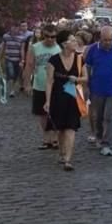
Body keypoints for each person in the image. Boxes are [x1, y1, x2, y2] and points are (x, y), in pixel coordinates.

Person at [43, 30, 87, 171]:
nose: (76, 42)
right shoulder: (53, 60)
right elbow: (49, 82)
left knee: (71, 128)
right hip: (57, 98)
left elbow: (87, 78)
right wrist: (47, 101)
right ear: (64, 44)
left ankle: (68, 159)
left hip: (74, 98)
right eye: (72, 40)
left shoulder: (80, 59)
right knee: (61, 129)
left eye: (75, 40)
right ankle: (62, 153)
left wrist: (78, 79)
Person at [85, 26, 112, 156]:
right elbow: (87, 68)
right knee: (97, 117)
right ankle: (99, 136)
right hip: (97, 90)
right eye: (105, 40)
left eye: (110, 40)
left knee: (109, 117)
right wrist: (86, 86)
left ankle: (106, 142)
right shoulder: (93, 49)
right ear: (100, 38)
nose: (108, 42)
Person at [24, 24, 60, 149]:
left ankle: (55, 138)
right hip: (39, 84)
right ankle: (46, 139)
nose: (50, 39)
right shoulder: (34, 47)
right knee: (42, 113)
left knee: (55, 113)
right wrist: (27, 83)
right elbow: (29, 65)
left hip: (56, 86)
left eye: (53, 37)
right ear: (43, 36)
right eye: (47, 36)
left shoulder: (60, 48)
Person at [0, 25, 24, 97]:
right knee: (11, 74)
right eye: (13, 27)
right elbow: (3, 47)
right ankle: (11, 90)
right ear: (11, 28)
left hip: (18, 59)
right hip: (8, 58)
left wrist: (22, 60)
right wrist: (0, 56)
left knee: (16, 75)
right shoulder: (5, 36)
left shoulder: (21, 37)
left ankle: (13, 88)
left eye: (16, 27)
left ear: (18, 28)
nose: (15, 29)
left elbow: (22, 49)